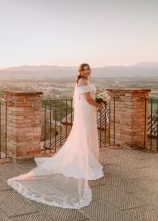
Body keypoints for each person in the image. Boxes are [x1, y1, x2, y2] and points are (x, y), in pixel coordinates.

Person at [7, 63, 104, 209]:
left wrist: (98, 102)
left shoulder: (86, 80)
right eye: (84, 69)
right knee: (85, 135)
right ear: (80, 72)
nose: (86, 71)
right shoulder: (82, 81)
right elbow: (88, 99)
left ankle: (87, 158)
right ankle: (85, 160)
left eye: (88, 69)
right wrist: (101, 105)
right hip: (86, 110)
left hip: (88, 111)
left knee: (88, 135)